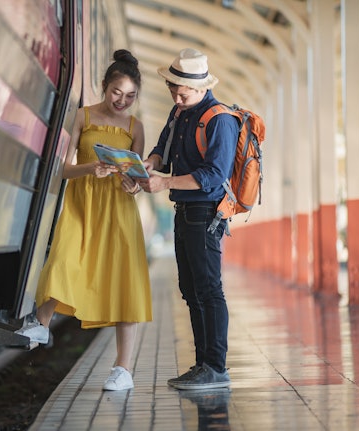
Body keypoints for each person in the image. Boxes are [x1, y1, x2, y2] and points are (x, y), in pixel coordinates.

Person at [17, 49, 153, 391]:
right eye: (116, 93)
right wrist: (91, 167)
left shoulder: (136, 128)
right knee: (65, 257)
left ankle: (123, 370)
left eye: (130, 96)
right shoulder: (82, 117)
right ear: (104, 86)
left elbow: (138, 182)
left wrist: (131, 183)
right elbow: (61, 169)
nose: (122, 101)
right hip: (82, 203)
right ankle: (41, 322)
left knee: (124, 282)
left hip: (119, 209)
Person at [137, 48, 239, 390]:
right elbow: (163, 149)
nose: (177, 98)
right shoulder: (179, 111)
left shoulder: (219, 119)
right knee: (190, 289)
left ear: (202, 88)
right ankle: (202, 365)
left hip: (205, 213)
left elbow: (212, 174)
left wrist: (164, 182)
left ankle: (216, 368)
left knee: (209, 289)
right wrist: (148, 165)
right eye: (173, 90)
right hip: (184, 211)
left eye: (184, 92)